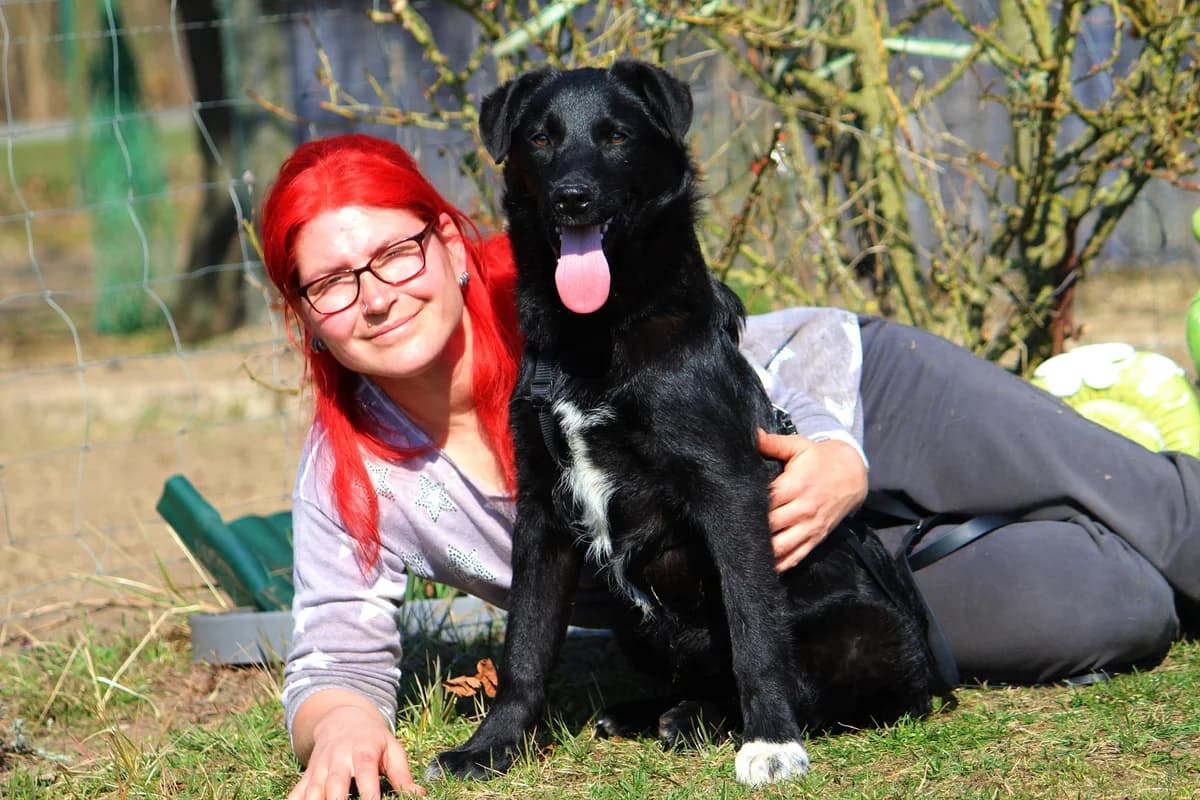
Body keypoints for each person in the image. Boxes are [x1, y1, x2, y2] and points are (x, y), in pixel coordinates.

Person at [261, 133, 1200, 800]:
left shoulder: (563, 283)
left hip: (857, 406)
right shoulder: (355, 466)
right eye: (332, 283)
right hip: (780, 583)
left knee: (1149, 504)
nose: (377, 298)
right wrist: (340, 722)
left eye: (395, 253)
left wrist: (834, 447)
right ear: (305, 316)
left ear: (450, 245)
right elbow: (335, 647)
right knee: (1112, 607)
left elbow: (751, 343)